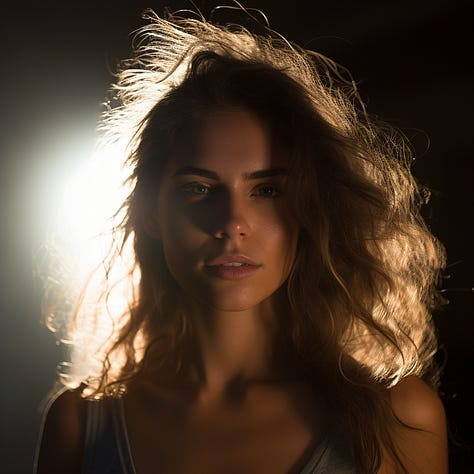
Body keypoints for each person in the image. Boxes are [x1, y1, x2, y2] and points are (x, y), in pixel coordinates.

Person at [34, 7, 449, 474]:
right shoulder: (81, 424)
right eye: (198, 189)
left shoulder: (396, 418)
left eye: (266, 190)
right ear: (150, 212)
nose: (232, 222)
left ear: (310, 209)